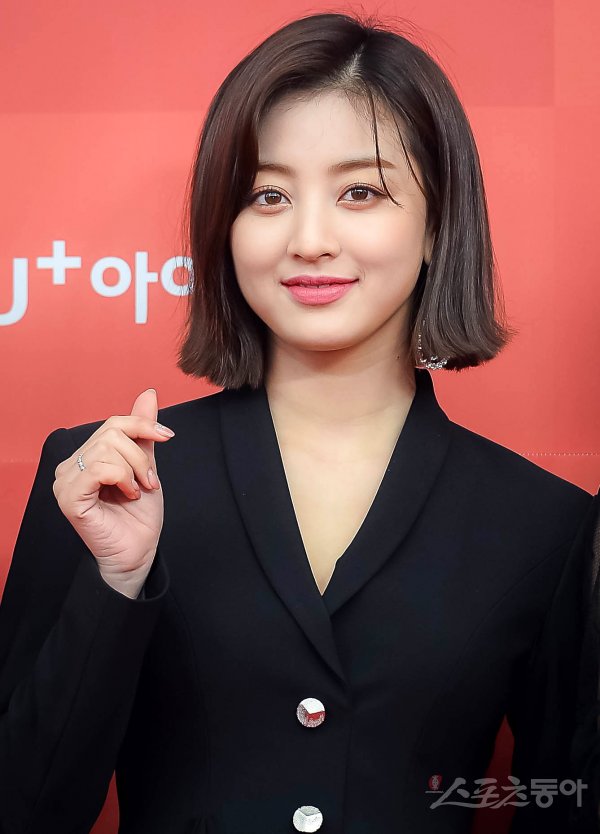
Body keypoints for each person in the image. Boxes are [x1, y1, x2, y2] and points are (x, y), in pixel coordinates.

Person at [0, 11, 598, 834]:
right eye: (268, 196)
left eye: (360, 192)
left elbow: (564, 802)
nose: (310, 240)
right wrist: (116, 583)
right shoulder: (106, 479)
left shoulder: (546, 525)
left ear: (437, 223)